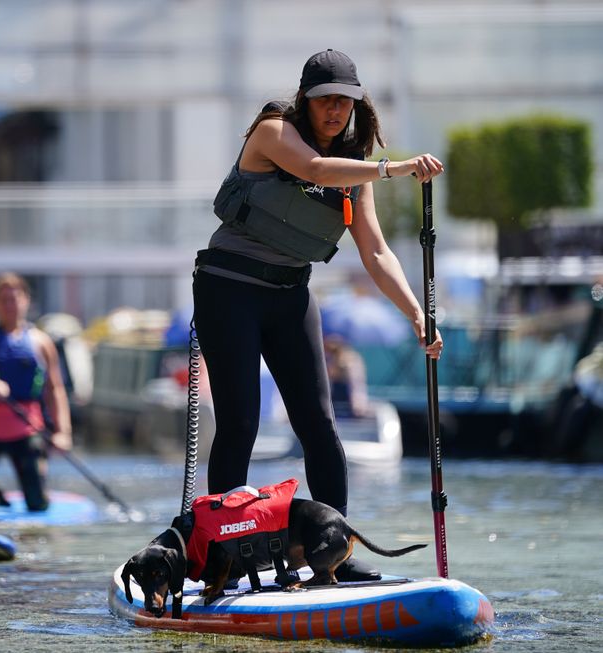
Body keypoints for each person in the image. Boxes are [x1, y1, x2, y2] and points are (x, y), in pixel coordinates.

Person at [192, 49, 444, 581]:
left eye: (344, 102)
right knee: (239, 422)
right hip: (228, 289)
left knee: (321, 426)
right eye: (325, 100)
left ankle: (334, 555)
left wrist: (417, 313)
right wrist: (393, 167)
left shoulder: (355, 173)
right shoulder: (272, 131)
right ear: (305, 101)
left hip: (290, 296)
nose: (334, 111)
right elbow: (311, 169)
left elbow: (375, 252)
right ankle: (224, 556)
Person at [0, 273, 72, 511]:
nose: (10, 305)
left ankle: (31, 491)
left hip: (26, 431)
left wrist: (63, 432)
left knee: (37, 504)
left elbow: (54, 390)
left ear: (26, 300)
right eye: (3, 300)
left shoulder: (41, 341)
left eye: (14, 298)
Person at [324, 335, 370, 418]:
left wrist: (358, 405)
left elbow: (356, 385)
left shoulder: (351, 360)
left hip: (349, 406)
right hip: (335, 405)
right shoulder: (329, 360)